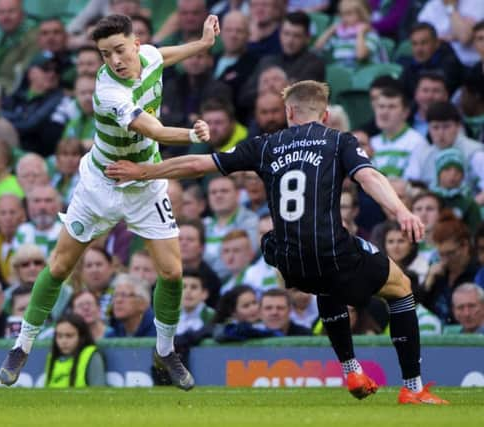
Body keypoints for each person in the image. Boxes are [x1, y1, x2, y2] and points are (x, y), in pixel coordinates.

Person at [106, 80, 448, 404]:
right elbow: (368, 176)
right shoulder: (338, 140)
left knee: (327, 285)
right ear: (325, 114)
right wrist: (401, 211)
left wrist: (144, 172)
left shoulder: (265, 144)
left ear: (289, 113)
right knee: (401, 288)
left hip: (286, 259)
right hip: (329, 248)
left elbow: (199, 164)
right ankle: (413, 388)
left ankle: (352, 371)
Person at [0, 13, 221, 391]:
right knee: (59, 266)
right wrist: (191, 133)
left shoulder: (147, 54)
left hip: (144, 182)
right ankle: (22, 346)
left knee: (172, 272)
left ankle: (166, 351)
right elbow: (150, 128)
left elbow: (162, 56)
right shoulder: (109, 91)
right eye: (105, 54)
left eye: (119, 50)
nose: (114, 60)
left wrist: (201, 45)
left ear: (136, 44)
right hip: (102, 183)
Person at [45, 313, 106, 387]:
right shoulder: (51, 357)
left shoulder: (91, 356)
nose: (63, 341)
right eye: (59, 336)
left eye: (69, 335)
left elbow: (98, 391)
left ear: (81, 337)